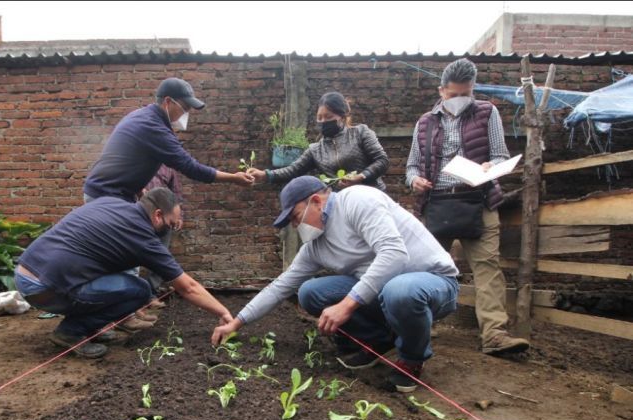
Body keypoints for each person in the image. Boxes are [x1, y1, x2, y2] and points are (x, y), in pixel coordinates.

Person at [212, 176, 459, 393]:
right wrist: (236, 322)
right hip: (384, 291)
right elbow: (280, 286)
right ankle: (378, 340)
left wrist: (347, 305)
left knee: (400, 291)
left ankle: (412, 358)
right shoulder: (316, 246)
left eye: (296, 217)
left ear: (317, 201)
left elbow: (394, 253)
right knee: (309, 293)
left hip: (432, 281)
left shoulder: (357, 200)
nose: (296, 227)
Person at [16, 187, 233, 359]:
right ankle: (71, 332)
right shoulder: (142, 237)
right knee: (140, 290)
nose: (170, 230)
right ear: (157, 216)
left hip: (26, 273)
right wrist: (224, 313)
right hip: (45, 288)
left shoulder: (110, 203)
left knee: (124, 283)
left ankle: (89, 327)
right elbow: (188, 287)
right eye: (171, 224)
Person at [406, 58, 529, 356]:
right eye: (453, 95)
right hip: (437, 203)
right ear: (442, 90)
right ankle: (423, 327)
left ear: (472, 89)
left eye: (466, 93)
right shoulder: (425, 122)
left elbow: (501, 156)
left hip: (478, 200)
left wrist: (491, 165)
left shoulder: (488, 112)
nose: (460, 100)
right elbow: (411, 166)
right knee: (428, 267)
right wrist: (415, 181)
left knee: (487, 267)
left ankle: (494, 335)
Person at [83, 77, 253, 204]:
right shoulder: (154, 127)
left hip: (110, 193)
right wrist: (233, 178)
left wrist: (141, 192)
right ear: (168, 102)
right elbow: (190, 167)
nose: (186, 113)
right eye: (185, 108)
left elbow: (126, 160)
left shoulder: (143, 116)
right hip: (106, 196)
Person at [247, 92, 390, 191]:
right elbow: (293, 170)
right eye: (319, 118)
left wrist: (361, 176)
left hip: (372, 196)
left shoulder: (360, 133)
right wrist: (265, 174)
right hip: (342, 204)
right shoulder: (316, 149)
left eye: (328, 117)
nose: (323, 122)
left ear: (342, 115)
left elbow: (382, 160)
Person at [141, 164, 182, 308]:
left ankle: (151, 294)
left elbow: (175, 193)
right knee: (133, 255)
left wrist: (178, 216)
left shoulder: (169, 166)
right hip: (142, 217)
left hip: (164, 217)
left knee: (162, 254)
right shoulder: (137, 160)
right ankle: (133, 302)